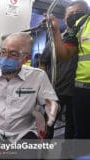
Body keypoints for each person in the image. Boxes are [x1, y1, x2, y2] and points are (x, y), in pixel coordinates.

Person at [40, 1, 87, 139]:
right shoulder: (55, 40)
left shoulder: (84, 39)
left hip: (77, 91)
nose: (73, 17)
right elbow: (43, 64)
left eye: (77, 14)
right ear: (65, 19)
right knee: (48, 124)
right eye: (70, 15)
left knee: (72, 129)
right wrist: (44, 87)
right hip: (55, 90)